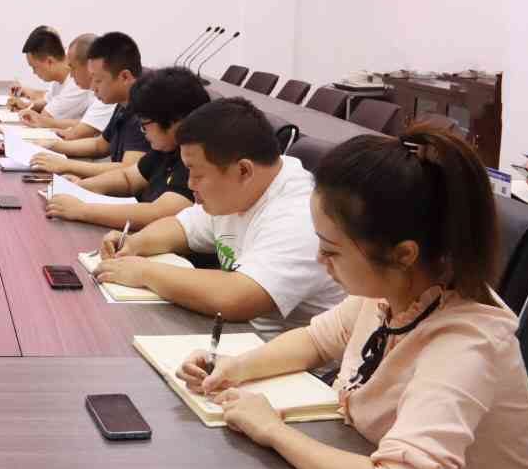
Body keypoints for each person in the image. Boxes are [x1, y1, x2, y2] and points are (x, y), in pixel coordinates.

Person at [176, 126, 528, 469]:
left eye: (332, 251)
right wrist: (235, 368)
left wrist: (273, 431)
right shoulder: (393, 291)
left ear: (404, 255)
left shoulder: (467, 343)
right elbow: (315, 341)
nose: (320, 259)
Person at [93, 97, 344, 336]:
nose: (190, 184)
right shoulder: (241, 188)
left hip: (281, 355)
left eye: (197, 174)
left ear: (243, 170)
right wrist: (134, 243)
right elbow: (181, 226)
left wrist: (144, 272)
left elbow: (236, 297)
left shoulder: (300, 216)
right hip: (235, 336)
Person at [45, 66, 208, 230]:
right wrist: (82, 186)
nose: (143, 132)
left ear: (174, 122)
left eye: (145, 125)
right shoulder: (167, 148)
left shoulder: (197, 159)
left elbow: (158, 213)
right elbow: (128, 178)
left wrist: (83, 210)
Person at [29, 32, 148, 179]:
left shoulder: (145, 100)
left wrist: (66, 165)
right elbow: (100, 145)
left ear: (124, 77)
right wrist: (52, 145)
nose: (93, 87)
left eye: (98, 81)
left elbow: (129, 169)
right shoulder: (123, 97)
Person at [20, 32, 116, 138]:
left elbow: (85, 132)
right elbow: (86, 125)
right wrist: (27, 105)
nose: (70, 73)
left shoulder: (106, 92)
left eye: (73, 67)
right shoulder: (97, 89)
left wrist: (51, 140)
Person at [7, 27, 93, 122]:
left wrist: (29, 111)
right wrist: (26, 106)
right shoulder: (60, 75)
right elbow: (47, 101)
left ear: (49, 61)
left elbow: (45, 117)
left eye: (34, 67)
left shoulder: (77, 82)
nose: (34, 72)